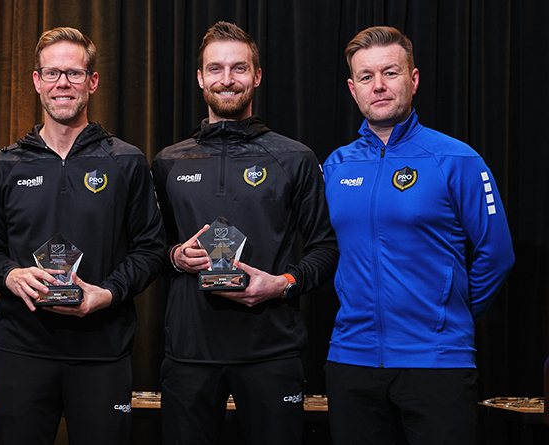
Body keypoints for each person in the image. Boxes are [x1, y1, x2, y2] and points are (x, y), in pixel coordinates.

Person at [322, 26, 516, 444]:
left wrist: (444, 316)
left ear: (413, 80)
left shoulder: (456, 159)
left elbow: (496, 255)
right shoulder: (336, 166)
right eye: (367, 77)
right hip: (351, 361)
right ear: (353, 89)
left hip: (437, 364)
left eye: (390, 73)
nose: (379, 86)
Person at [0, 27, 165, 445]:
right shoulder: (4, 165)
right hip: (22, 351)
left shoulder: (126, 161)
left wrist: (110, 293)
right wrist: (10, 275)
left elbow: (151, 249)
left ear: (92, 82)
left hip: (103, 351)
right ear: (37, 81)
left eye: (75, 74)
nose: (63, 83)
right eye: (53, 73)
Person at [151, 21, 339, 444]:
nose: (227, 79)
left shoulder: (295, 158)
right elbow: (149, 251)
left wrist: (283, 284)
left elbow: (325, 248)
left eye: (239, 68)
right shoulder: (168, 161)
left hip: (271, 352)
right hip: (189, 354)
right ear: (200, 78)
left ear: (256, 76)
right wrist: (176, 256)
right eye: (215, 69)